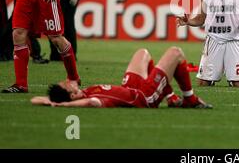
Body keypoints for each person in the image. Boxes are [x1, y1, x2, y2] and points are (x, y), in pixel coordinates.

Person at [31, 46, 212, 108]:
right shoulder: (92, 99)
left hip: (131, 88)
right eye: (65, 85)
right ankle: (190, 99)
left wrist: (53, 102)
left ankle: (171, 97)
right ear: (72, 95)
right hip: (143, 96)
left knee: (142, 53)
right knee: (175, 53)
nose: (66, 81)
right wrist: (66, 105)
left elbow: (34, 99)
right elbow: (91, 103)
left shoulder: (83, 92)